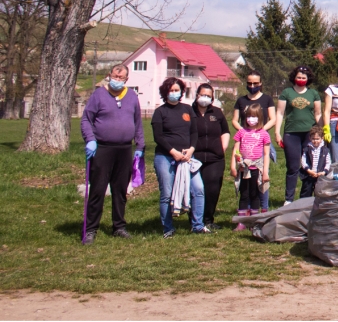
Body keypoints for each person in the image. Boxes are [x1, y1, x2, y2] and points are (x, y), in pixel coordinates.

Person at [79, 64, 144, 244]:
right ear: (109, 75)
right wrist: (90, 139)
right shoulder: (98, 95)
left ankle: (119, 226)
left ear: (126, 80)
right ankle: (91, 229)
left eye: (121, 77)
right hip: (102, 148)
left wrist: (140, 146)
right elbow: (86, 119)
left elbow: (137, 123)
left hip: (124, 149)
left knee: (120, 190)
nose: (117, 79)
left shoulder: (131, 96)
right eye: (115, 76)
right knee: (98, 189)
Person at [151, 77, 208, 237]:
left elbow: (194, 132)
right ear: (165, 92)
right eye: (171, 91)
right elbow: (158, 137)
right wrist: (173, 152)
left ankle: (198, 225)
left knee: (198, 189)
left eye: (177, 90)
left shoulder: (187, 110)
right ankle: (168, 228)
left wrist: (191, 149)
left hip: (187, 157)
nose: (174, 93)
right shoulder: (160, 112)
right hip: (165, 157)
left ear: (182, 92)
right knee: (166, 194)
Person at [234, 70, 279, 212]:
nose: (252, 85)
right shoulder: (241, 101)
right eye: (249, 83)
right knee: (246, 177)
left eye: (255, 83)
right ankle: (247, 210)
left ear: (260, 83)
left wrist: (260, 131)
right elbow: (235, 120)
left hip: (262, 141)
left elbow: (273, 119)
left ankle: (264, 208)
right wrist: (245, 132)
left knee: (262, 176)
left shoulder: (267, 99)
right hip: (245, 143)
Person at [277, 65, 322, 203]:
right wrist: (277, 132)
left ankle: (306, 197)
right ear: (294, 77)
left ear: (308, 79)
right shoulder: (287, 92)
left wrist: (321, 132)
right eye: (299, 77)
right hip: (291, 133)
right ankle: (289, 199)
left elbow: (318, 113)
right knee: (293, 167)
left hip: (309, 134)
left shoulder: (313, 93)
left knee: (309, 165)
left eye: (304, 77)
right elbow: (279, 113)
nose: (301, 79)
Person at [191, 83, 231, 228]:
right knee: (196, 189)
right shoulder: (189, 112)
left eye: (208, 95)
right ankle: (195, 219)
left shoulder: (217, 112)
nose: (205, 98)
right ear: (197, 95)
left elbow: (225, 131)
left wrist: (223, 146)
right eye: (202, 95)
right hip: (194, 157)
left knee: (212, 189)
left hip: (215, 158)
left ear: (212, 97)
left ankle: (208, 220)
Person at [232, 104, 271, 230]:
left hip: (256, 169)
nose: (251, 119)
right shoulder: (241, 132)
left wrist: (265, 172)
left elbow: (266, 154)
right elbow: (235, 150)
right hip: (244, 169)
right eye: (249, 116)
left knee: (255, 195)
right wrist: (234, 166)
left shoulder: (264, 134)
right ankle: (242, 222)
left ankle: (254, 221)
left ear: (259, 118)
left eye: (254, 116)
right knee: (244, 195)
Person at [300, 125, 332, 198]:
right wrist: (308, 170)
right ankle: (305, 205)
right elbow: (303, 161)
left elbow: (328, 162)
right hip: (309, 175)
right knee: (306, 191)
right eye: (313, 139)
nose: (315, 141)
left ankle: (318, 206)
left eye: (317, 139)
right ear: (310, 138)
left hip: (320, 175)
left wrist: (324, 172)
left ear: (322, 138)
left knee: (320, 193)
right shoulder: (307, 149)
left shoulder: (325, 150)